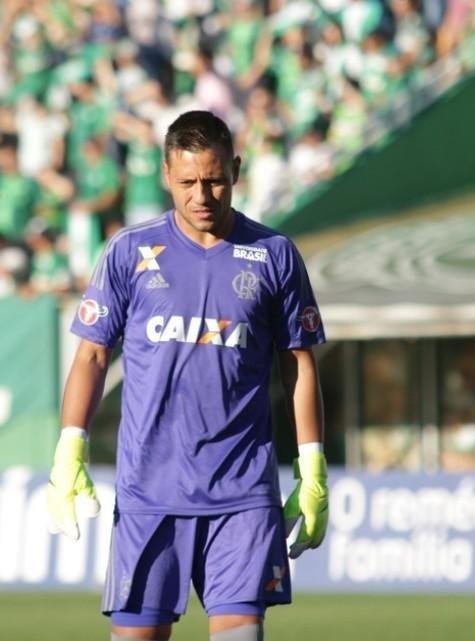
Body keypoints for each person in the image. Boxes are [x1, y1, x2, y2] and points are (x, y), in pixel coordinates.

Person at [47, 111, 329, 641]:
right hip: (149, 492)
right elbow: (91, 357)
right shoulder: (129, 253)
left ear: (236, 171)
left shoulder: (274, 256)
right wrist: (70, 451)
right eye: (187, 182)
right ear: (165, 175)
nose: (202, 194)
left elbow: (298, 363)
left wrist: (312, 470)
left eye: (215, 179)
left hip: (241, 494)